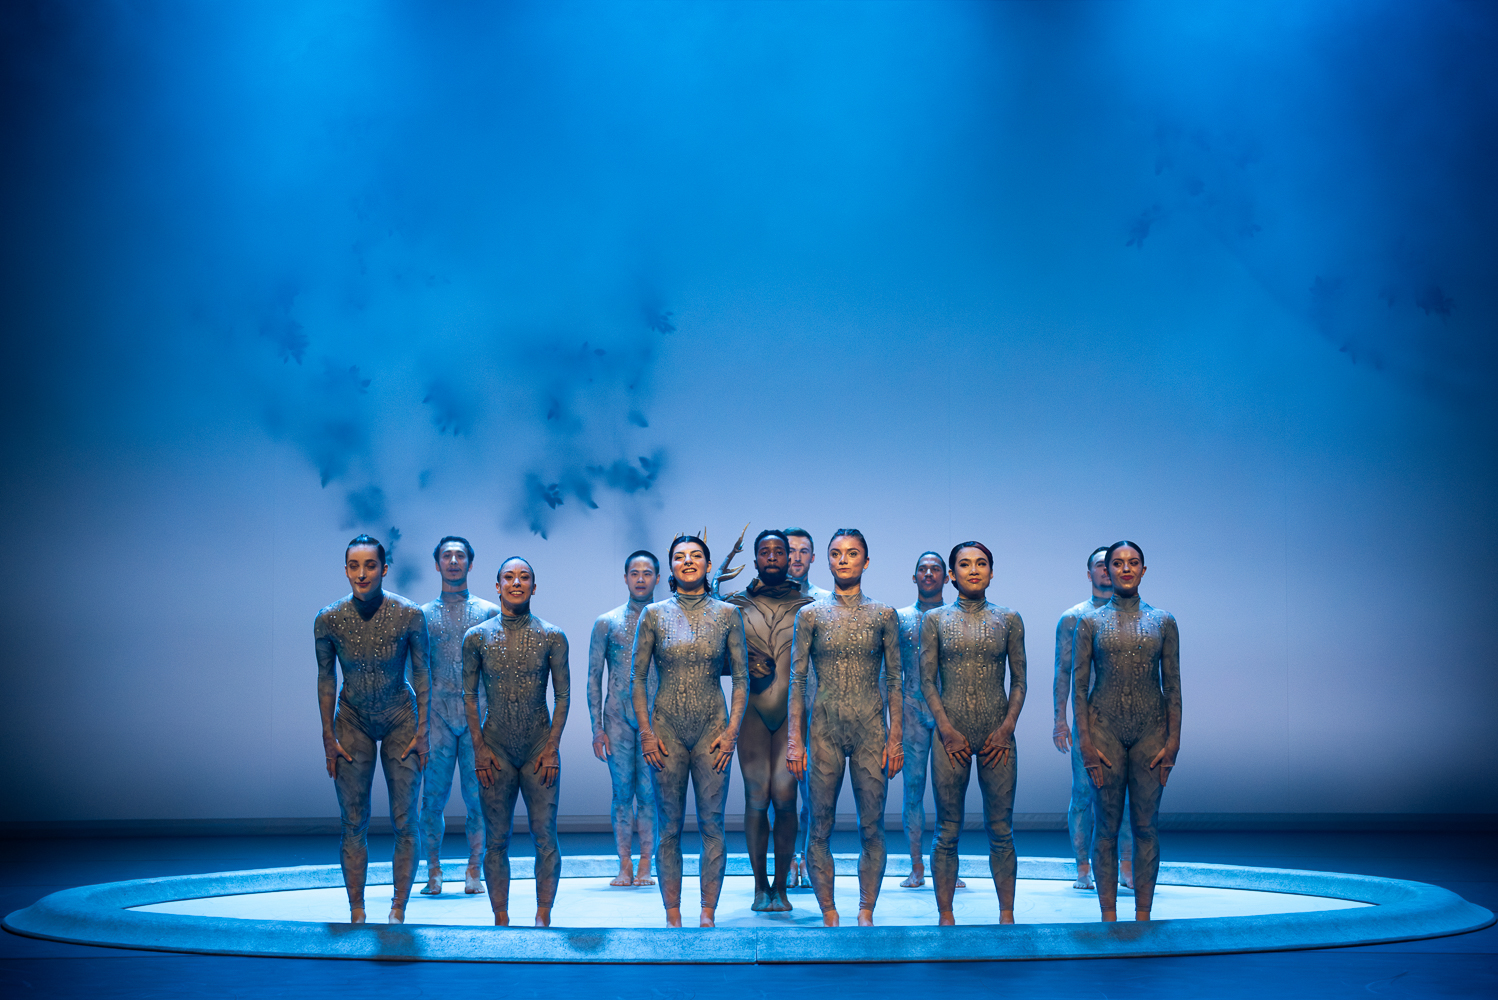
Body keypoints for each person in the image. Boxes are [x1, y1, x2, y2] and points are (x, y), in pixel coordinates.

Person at [631, 535, 750, 928]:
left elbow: (742, 679)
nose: (688, 562)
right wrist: (646, 733)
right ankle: (672, 913)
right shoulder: (653, 615)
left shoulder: (728, 614)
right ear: (671, 567)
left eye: (696, 556)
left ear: (708, 565)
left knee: (712, 825)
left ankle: (707, 911)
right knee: (669, 827)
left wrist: (732, 732)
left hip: (712, 730)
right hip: (666, 731)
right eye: (680, 557)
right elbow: (637, 678)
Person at [787, 529, 902, 927]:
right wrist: (794, 741)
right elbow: (797, 680)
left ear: (865, 562)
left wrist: (896, 737)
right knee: (819, 826)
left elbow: (895, 680)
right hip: (824, 730)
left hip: (871, 729)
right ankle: (829, 911)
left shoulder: (884, 615)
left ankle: (866, 909)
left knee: (872, 826)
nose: (843, 560)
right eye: (836, 553)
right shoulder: (810, 614)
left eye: (852, 554)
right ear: (828, 560)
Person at [314, 534, 431, 924]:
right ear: (346, 570)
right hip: (353, 718)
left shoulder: (409, 614)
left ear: (384, 569)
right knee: (353, 820)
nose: (362, 574)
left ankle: (398, 907)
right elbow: (326, 678)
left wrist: (424, 730)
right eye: (354, 566)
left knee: (405, 819)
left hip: (401, 717)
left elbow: (422, 673)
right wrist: (328, 737)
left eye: (370, 565)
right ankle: (357, 909)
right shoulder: (329, 618)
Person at [1073, 541, 1181, 923]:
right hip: (1104, 731)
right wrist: (1085, 743)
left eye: (1133, 562)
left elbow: (1173, 685)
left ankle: (1143, 915)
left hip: (1152, 731)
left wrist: (1174, 742)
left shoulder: (1163, 621)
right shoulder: (1090, 622)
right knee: (1106, 827)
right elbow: (1079, 688)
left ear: (1144, 570)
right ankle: (1108, 916)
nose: (1126, 569)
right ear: (1108, 570)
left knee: (1146, 826)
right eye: (1117, 563)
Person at [920, 542, 1027, 925]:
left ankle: (1007, 915)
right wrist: (946, 728)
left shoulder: (1009, 618)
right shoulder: (935, 620)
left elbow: (1019, 681)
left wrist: (1007, 728)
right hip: (950, 736)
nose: (974, 570)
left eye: (981, 563)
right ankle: (946, 916)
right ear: (952, 575)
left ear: (992, 572)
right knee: (947, 830)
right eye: (965, 564)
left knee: (1001, 829)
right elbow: (927, 681)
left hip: (998, 735)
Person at [462, 557, 570, 927]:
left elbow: (563, 696)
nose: (516, 583)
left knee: (545, 836)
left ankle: (543, 915)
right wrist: (479, 748)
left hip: (539, 748)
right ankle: (501, 917)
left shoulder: (552, 636)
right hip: (495, 748)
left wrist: (552, 747)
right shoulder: (476, 637)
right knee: (496, 839)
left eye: (524, 577)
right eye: (509, 577)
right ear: (498, 586)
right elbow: (469, 697)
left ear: (534, 587)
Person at [721, 529, 814, 912]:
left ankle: (782, 887)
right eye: (765, 551)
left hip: (794, 714)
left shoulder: (809, 606)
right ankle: (760, 887)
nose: (773, 556)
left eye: (779, 550)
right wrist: (741, 660)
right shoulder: (734, 606)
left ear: (789, 557)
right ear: (757, 558)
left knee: (787, 799)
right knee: (757, 798)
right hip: (753, 713)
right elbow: (715, 656)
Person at [419, 536, 500, 896]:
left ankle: (474, 869)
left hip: (476, 719)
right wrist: (418, 723)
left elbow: (497, 673)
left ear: (470, 563)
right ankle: (433, 870)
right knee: (431, 799)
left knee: (478, 799)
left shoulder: (489, 613)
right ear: (437, 563)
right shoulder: (422, 616)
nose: (453, 561)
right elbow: (415, 672)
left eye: (460, 555)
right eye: (447, 555)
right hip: (436, 715)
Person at [1053, 546, 1131, 891]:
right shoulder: (1073, 618)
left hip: (1128, 718)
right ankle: (1083, 866)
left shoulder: (1135, 616)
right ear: (1090, 574)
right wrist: (1060, 719)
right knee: (1083, 793)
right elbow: (1063, 671)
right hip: (1088, 719)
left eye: (1108, 565)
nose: (1104, 570)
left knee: (1126, 795)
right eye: (1099, 565)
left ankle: (1126, 863)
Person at [587, 550, 660, 888]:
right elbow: (594, 677)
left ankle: (646, 862)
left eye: (647, 573)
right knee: (621, 793)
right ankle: (624, 863)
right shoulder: (608, 622)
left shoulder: (664, 620)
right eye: (635, 573)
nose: (641, 579)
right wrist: (596, 729)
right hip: (616, 717)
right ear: (626, 578)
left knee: (648, 793)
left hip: (654, 718)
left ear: (657, 578)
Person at [898, 552, 962, 889]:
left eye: (935, 569)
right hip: (910, 711)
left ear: (946, 577)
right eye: (922, 569)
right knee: (913, 790)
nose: (928, 574)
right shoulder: (900, 619)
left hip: (947, 713)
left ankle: (948, 865)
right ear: (914, 577)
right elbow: (889, 672)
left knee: (949, 793)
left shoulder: (955, 617)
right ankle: (917, 865)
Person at [783, 525, 828, 887]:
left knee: (815, 796)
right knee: (777, 796)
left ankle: (809, 859)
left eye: (803, 551)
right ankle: (784, 863)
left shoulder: (827, 601)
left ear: (813, 557)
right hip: (773, 710)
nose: (796, 558)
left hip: (818, 711)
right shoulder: (762, 602)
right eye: (790, 550)